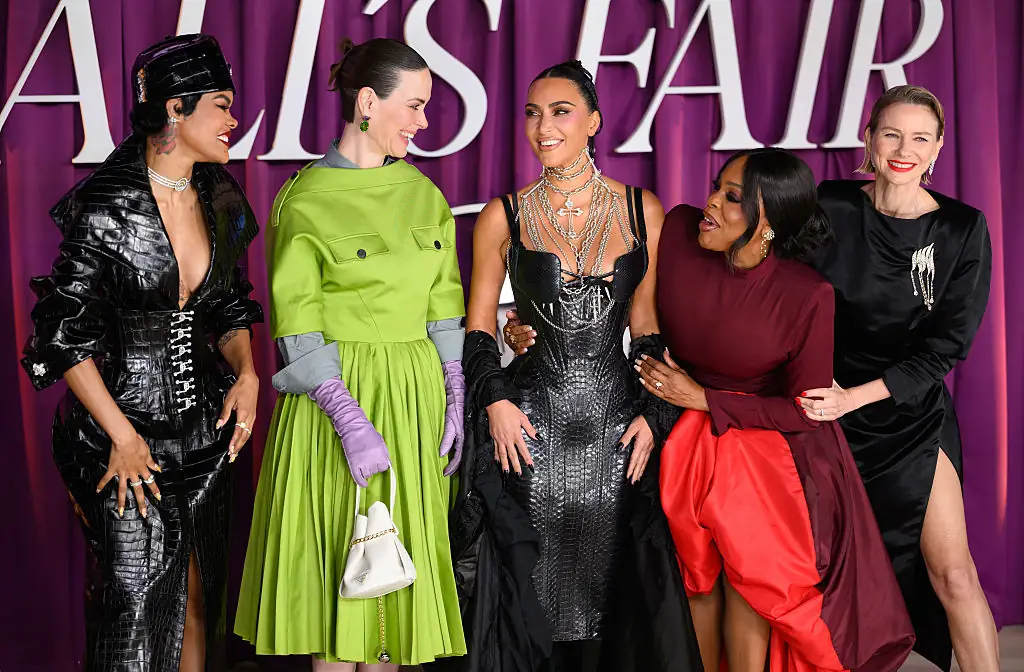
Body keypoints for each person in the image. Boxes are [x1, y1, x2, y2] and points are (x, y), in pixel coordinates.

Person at [445, 60, 702, 672]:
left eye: (560, 112)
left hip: (617, 432)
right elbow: (478, 325)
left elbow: (647, 328)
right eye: (532, 113)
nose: (542, 126)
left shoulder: (643, 210)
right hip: (529, 431)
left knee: (612, 599)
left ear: (593, 122)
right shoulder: (502, 214)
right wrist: (497, 402)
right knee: (529, 593)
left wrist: (655, 414)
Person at [20, 34, 262, 671]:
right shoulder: (105, 203)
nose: (234, 120)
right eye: (222, 105)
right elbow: (63, 334)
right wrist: (122, 437)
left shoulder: (218, 196)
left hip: (205, 433)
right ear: (176, 111)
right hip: (117, 437)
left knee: (197, 597)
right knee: (130, 608)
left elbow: (232, 307)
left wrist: (246, 373)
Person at [234, 38, 467, 670]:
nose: (424, 123)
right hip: (337, 407)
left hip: (414, 402)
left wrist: (455, 392)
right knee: (343, 584)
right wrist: (346, 414)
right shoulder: (303, 199)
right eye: (414, 106)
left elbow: (445, 300)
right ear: (368, 102)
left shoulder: (424, 193)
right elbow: (297, 320)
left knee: (394, 602)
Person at [802, 85, 998, 672]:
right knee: (822, 583)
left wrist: (853, 399)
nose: (903, 149)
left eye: (919, 138)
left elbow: (946, 348)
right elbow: (775, 293)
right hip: (822, 416)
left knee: (953, 573)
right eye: (891, 133)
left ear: (937, 148)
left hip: (910, 415)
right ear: (868, 139)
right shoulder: (828, 206)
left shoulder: (963, 228)